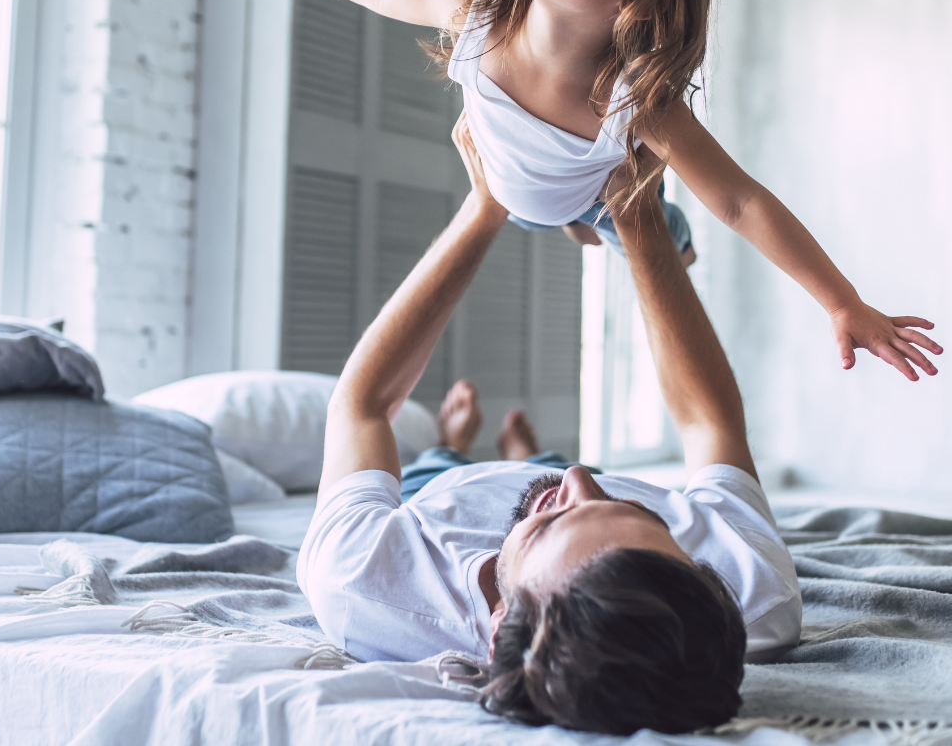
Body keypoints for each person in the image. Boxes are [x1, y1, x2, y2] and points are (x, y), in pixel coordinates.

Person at [233, 0, 941, 381]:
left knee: (646, 224)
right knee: (550, 213)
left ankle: (630, 229)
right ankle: (571, 221)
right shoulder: (474, 14)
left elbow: (741, 201)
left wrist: (840, 300)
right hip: (511, 182)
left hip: (592, 196)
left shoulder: (635, 104)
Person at [296, 117, 801, 735]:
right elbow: (709, 425)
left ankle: (457, 447)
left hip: (437, 499)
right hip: (539, 494)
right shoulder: (755, 594)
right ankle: (527, 455)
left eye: (553, 524)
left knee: (435, 464)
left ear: (500, 625)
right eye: (640, 517)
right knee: (550, 471)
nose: (580, 478)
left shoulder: (362, 578)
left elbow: (364, 406)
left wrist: (484, 209)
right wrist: (636, 215)